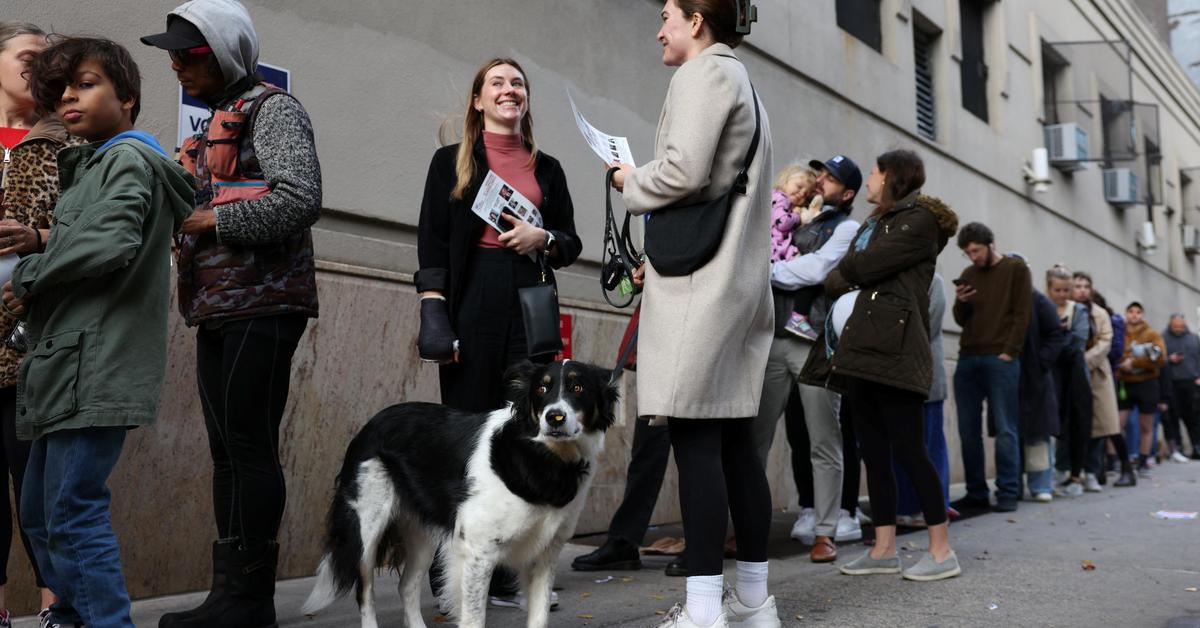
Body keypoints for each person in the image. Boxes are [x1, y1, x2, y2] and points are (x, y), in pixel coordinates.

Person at [140, 2, 322, 624]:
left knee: (249, 446)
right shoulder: (215, 119)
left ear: (224, 52)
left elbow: (300, 198)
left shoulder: (274, 110)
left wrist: (206, 217)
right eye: (172, 54)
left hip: (265, 301)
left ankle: (249, 600)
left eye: (189, 53)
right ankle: (230, 595)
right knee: (226, 450)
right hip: (217, 304)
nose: (176, 64)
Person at [3, 36, 194, 628]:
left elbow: (112, 241)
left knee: (71, 512)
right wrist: (43, 241)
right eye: (61, 90)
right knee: (39, 512)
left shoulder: (125, 158)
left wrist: (30, 273)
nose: (67, 97)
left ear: (128, 97)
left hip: (95, 368)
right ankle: (77, 615)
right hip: (64, 369)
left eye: (85, 84)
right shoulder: (90, 163)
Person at [609, 1, 777, 625]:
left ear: (698, 22)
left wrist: (628, 178)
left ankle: (704, 606)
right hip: (733, 281)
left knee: (696, 442)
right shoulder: (745, 82)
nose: (659, 30)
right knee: (734, 444)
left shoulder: (704, 73)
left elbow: (684, 170)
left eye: (668, 16)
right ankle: (755, 601)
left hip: (700, 288)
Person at [414, 56, 582, 608]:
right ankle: (456, 578)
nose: (510, 90)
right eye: (498, 83)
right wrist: (434, 311)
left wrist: (544, 238)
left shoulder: (547, 168)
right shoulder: (451, 162)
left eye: (518, 83)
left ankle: (517, 574)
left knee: (525, 431)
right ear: (478, 101)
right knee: (465, 431)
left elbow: (571, 242)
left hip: (528, 300)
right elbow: (433, 241)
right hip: (471, 299)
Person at [799, 153, 962, 581]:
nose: (870, 179)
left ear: (892, 177)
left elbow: (862, 266)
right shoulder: (877, 223)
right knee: (873, 451)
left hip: (898, 349)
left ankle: (942, 551)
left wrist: (850, 270)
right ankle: (884, 549)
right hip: (862, 348)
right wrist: (849, 271)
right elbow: (843, 274)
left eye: (874, 172)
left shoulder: (921, 221)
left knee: (910, 451)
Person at [758, 154, 861, 564]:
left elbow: (816, 270)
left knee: (824, 439)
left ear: (847, 192)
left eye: (830, 178)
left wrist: (765, 270)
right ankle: (747, 527)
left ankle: (826, 531)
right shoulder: (789, 211)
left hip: (814, 341)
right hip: (770, 337)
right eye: (819, 173)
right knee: (754, 439)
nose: (820, 180)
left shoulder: (847, 227)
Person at [0, 22, 68, 622]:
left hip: (30, 340)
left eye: (49, 60)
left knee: (40, 488)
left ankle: (56, 608)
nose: (40, 67)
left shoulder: (66, 142)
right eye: (27, 56)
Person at [951, 222, 1032, 512]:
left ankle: (1008, 490)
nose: (973, 257)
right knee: (968, 429)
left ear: (990, 244)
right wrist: (961, 302)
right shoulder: (969, 274)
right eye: (967, 252)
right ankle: (976, 493)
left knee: (1005, 426)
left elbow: (1023, 314)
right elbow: (961, 319)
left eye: (976, 250)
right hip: (968, 356)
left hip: (1001, 358)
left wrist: (1010, 352)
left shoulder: (1015, 270)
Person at [894, 273, 955, 523]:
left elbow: (926, 327)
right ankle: (905, 506)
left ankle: (932, 507)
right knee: (900, 447)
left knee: (929, 446)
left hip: (926, 377)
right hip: (897, 378)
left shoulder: (934, 281)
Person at [1078, 284, 1137, 487]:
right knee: (1093, 427)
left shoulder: (1110, 320)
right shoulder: (1074, 313)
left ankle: (1126, 468)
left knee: (1110, 426)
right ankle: (1097, 470)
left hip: (1102, 374)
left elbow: (1114, 349)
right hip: (1084, 374)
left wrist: (1087, 361)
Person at [1014, 280, 1066, 503]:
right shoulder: (1003, 299)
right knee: (1013, 433)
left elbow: (1055, 335)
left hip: (1035, 376)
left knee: (1038, 435)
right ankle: (1013, 485)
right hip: (1012, 373)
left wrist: (1040, 363)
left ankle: (1040, 485)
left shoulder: (1039, 302)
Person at [1044, 265, 1092, 497]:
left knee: (1077, 423)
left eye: (1066, 290)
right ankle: (1051, 474)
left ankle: (1076, 474)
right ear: (1049, 289)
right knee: (1053, 424)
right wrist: (1060, 336)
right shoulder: (1043, 308)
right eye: (1058, 290)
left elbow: (1078, 343)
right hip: (1051, 374)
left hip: (1075, 375)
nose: (1062, 294)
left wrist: (1056, 338)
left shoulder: (1079, 311)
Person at [769, 165, 823, 339]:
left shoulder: (786, 202)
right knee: (811, 273)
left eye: (806, 194)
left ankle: (797, 316)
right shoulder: (779, 197)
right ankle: (798, 317)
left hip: (781, 250)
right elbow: (781, 222)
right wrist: (800, 217)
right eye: (799, 187)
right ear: (785, 180)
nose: (801, 194)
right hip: (775, 252)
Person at [1116, 301, 1167, 476]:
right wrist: (1123, 364)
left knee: (1146, 425)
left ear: (1142, 314)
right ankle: (1113, 460)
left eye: (1138, 311)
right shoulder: (1120, 333)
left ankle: (1143, 460)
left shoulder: (1152, 334)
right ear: (1126, 314)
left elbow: (1159, 358)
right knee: (1117, 423)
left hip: (1147, 383)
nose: (1134, 315)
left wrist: (1135, 362)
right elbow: (1115, 353)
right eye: (1131, 311)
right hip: (1125, 383)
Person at [1161, 313, 1200, 461]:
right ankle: (1177, 448)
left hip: (1191, 383)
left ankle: (1197, 446)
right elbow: (1158, 359)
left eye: (1181, 326)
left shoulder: (1193, 338)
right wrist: (1169, 359)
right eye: (1175, 326)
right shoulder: (1163, 338)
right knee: (1173, 417)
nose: (1178, 328)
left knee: (1194, 417)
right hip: (1172, 383)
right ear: (1170, 324)